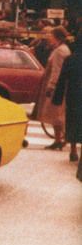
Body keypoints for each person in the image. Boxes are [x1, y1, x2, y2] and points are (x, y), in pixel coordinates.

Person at [35, 26, 71, 150]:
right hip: (59, 85)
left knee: (56, 114)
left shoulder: (60, 51)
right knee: (57, 114)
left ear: (56, 37)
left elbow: (57, 70)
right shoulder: (61, 49)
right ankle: (59, 139)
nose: (49, 37)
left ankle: (61, 139)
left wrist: (51, 86)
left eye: (51, 35)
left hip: (57, 87)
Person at [52, 32, 82, 162]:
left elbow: (62, 79)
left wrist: (57, 98)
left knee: (73, 121)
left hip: (74, 94)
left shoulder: (71, 59)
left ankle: (73, 149)